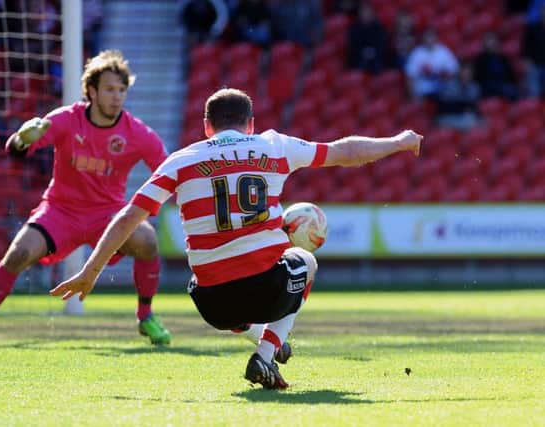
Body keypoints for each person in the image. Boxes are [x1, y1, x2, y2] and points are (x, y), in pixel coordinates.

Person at [49, 88, 422, 389]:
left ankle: (269, 341)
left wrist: (91, 270)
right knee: (306, 262)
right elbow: (346, 153)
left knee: (208, 278)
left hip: (212, 306)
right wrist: (400, 141)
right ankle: (265, 352)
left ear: (207, 127)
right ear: (251, 125)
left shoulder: (181, 160)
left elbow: (130, 215)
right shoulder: (273, 146)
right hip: (267, 290)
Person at [0, 50, 171, 346]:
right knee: (18, 254)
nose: (117, 96)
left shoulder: (137, 133)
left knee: (148, 242)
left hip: (107, 215)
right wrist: (22, 138)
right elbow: (16, 149)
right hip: (60, 210)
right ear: (92, 91)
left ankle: (145, 316)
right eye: (109, 89)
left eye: (122, 90)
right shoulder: (66, 119)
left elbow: (167, 169)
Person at [405, 28, 459, 99]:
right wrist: (413, 95)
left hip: (442, 89)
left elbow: (454, 70)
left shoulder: (443, 51)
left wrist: (445, 76)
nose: (429, 39)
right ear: (423, 39)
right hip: (423, 91)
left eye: (431, 36)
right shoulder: (417, 53)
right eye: (427, 37)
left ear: (436, 38)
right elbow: (410, 76)